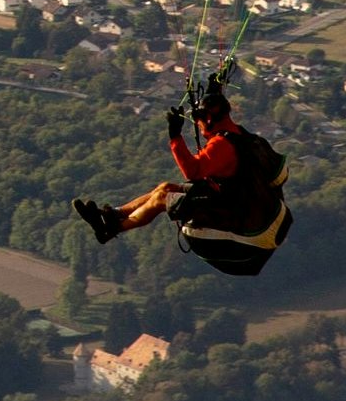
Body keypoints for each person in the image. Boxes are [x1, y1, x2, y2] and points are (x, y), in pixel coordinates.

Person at [74, 71, 293, 276]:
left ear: (208, 120)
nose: (197, 125)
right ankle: (112, 214)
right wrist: (213, 91)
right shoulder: (241, 134)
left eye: (198, 119)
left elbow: (193, 171)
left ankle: (110, 229)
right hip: (257, 215)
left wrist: (175, 137)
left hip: (248, 234)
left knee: (163, 199)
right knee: (166, 188)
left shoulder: (222, 145)